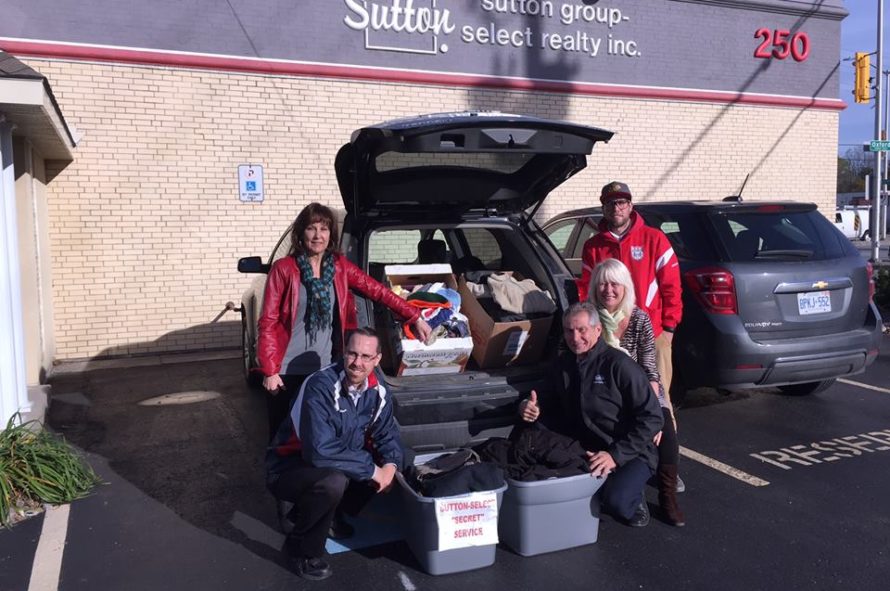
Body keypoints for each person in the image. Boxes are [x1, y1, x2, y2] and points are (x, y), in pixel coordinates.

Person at [256, 202, 431, 439]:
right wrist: (269, 370)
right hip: (286, 372)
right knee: (282, 437)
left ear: (331, 235)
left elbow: (377, 290)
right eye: (311, 228)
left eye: (324, 229)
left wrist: (414, 315)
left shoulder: (339, 267)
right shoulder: (284, 269)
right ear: (301, 233)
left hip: (326, 369)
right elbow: (268, 321)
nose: (318, 235)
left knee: (321, 435)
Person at [266, 327, 403, 581]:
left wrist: (391, 467)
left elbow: (387, 434)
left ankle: (322, 514)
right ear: (343, 353)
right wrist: (374, 470)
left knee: (391, 464)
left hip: (333, 462)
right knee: (334, 481)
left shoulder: (378, 389)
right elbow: (319, 451)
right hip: (288, 467)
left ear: (377, 359)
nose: (357, 363)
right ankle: (300, 550)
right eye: (352, 354)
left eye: (365, 356)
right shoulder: (320, 385)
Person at [519, 302, 663, 527]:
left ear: (597, 330)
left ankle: (634, 493)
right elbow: (545, 396)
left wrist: (615, 455)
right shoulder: (564, 363)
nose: (575, 337)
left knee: (617, 504)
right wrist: (528, 406)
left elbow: (653, 417)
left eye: (582, 330)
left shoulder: (619, 365)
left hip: (630, 450)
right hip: (587, 443)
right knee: (532, 433)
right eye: (569, 330)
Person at [589, 259, 685, 526]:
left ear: (625, 287)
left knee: (666, 431)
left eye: (614, 284)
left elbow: (650, 370)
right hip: (605, 394)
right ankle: (632, 486)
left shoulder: (639, 317)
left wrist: (653, 411)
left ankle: (667, 497)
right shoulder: (589, 318)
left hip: (643, 391)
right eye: (602, 283)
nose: (608, 290)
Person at [578, 181, 682, 397]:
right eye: (610, 204)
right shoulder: (593, 246)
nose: (616, 208)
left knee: (658, 398)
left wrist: (669, 328)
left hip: (653, 332)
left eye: (622, 202)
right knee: (616, 397)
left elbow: (671, 286)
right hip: (609, 335)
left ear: (631, 206)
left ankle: (664, 430)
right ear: (603, 209)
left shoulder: (654, 239)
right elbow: (586, 290)